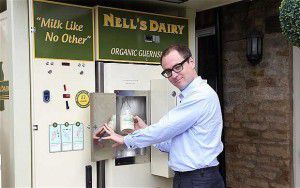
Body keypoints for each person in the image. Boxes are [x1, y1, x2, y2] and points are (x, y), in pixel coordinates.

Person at [93, 44, 225, 188]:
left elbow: (164, 128)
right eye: (167, 71)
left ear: (191, 62)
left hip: (197, 180)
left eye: (177, 67)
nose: (173, 75)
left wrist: (125, 139)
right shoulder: (190, 96)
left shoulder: (199, 96)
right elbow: (173, 144)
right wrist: (143, 130)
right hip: (194, 178)